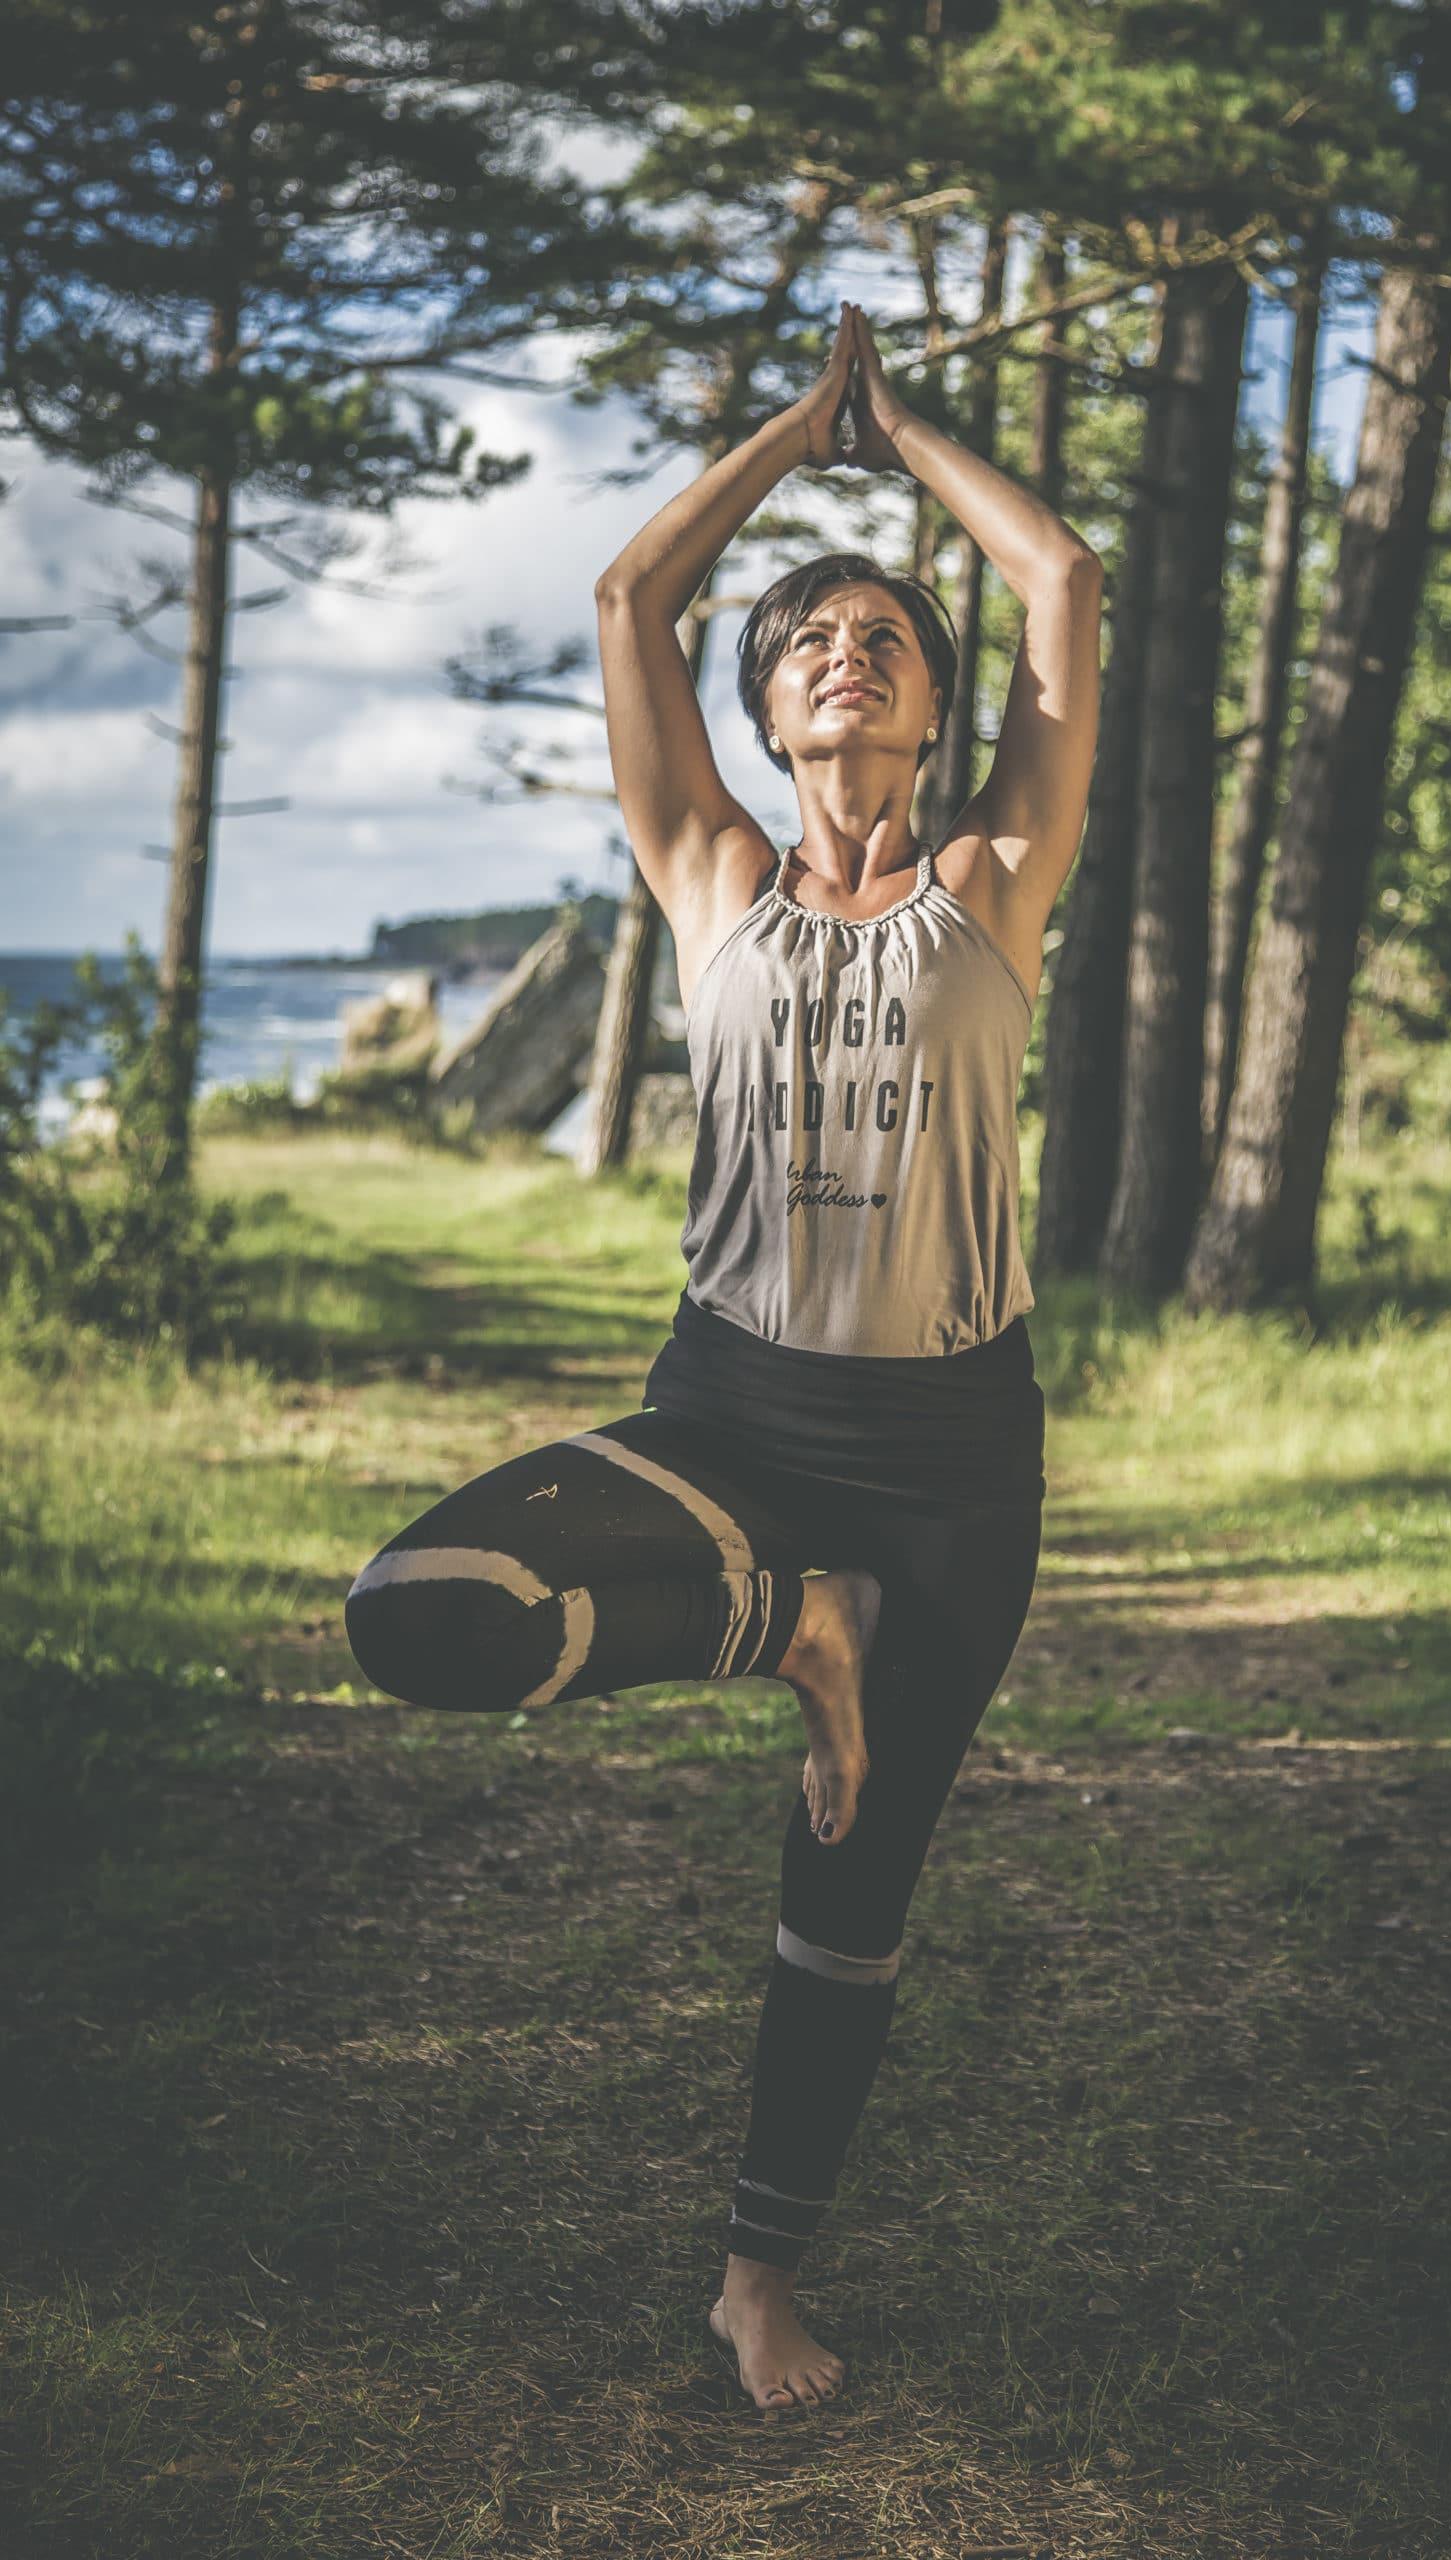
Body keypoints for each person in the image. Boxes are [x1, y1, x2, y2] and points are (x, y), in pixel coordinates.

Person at [342, 301, 1103, 2418]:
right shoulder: (708, 880)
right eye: (806, 644)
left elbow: (1056, 581)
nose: (843, 650)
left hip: (950, 1458)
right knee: (421, 1611)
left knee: (849, 1894)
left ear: (938, 712)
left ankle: (753, 2276)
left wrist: (903, 431)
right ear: (763, 716)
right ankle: (796, 1622)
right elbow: (625, 590)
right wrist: (795, 433)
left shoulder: (989, 880)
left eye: (881, 637)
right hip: (733, 1415)